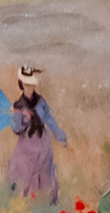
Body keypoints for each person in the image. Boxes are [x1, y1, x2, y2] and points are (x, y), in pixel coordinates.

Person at [7, 66, 67, 202]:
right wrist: (23, 119)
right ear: (22, 84)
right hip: (26, 148)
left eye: (32, 84)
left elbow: (49, 119)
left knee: (46, 177)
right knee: (25, 178)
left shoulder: (41, 101)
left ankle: (48, 203)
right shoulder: (17, 105)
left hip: (43, 144)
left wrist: (60, 135)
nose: (30, 88)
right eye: (27, 85)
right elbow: (16, 130)